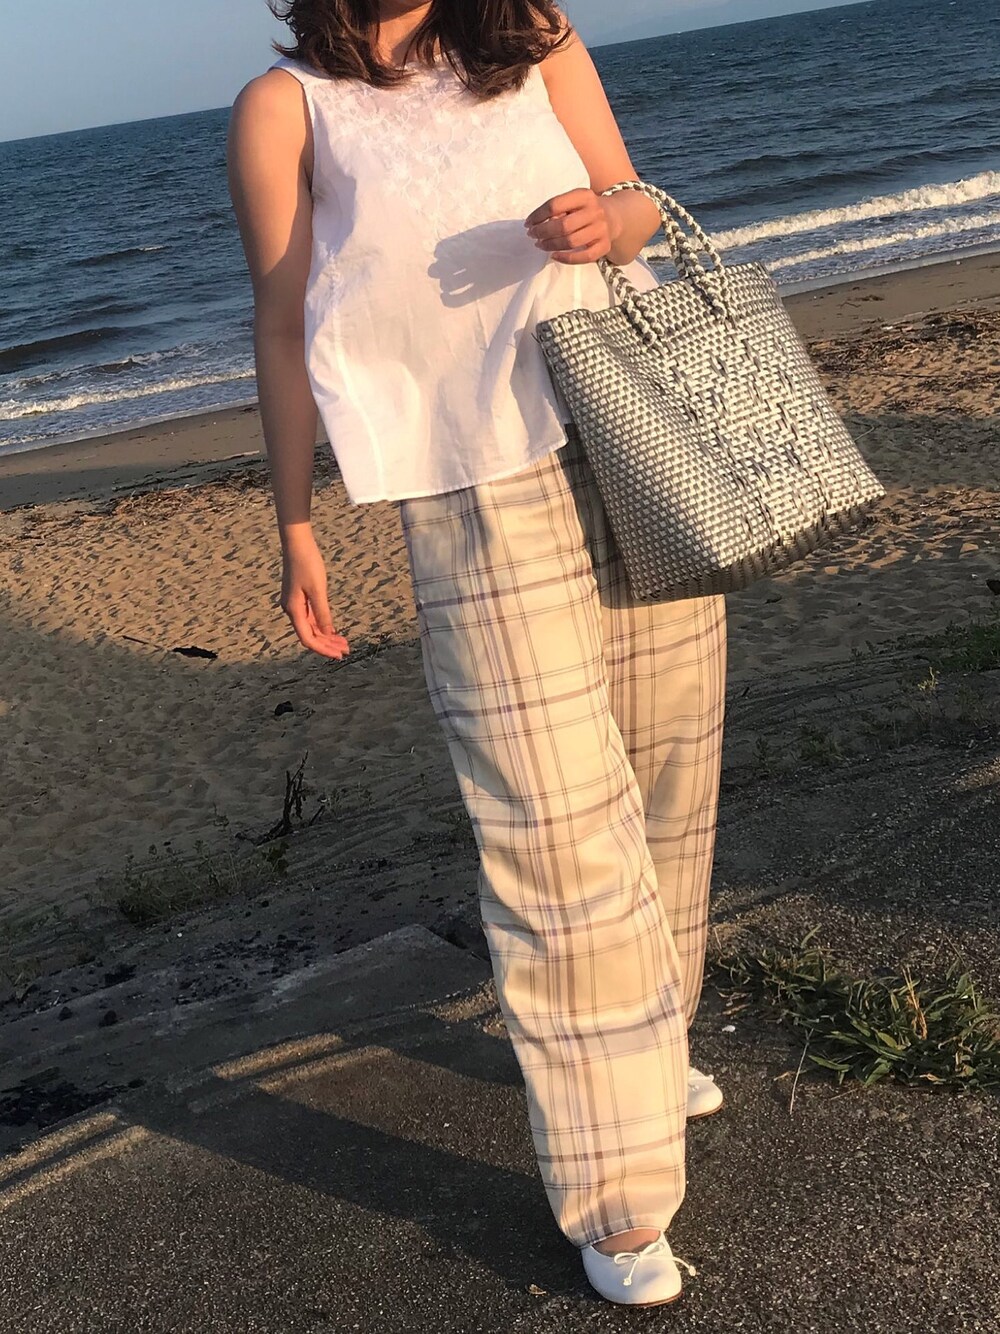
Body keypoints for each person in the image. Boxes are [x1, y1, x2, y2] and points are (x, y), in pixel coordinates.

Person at [227, 0, 727, 1307]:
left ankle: (653, 1043)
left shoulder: (535, 33)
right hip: (464, 479)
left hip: (631, 420)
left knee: (668, 769)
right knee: (549, 829)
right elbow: (281, 321)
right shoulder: (286, 109)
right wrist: (294, 523)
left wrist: (603, 224)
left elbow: (636, 202)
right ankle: (620, 1192)